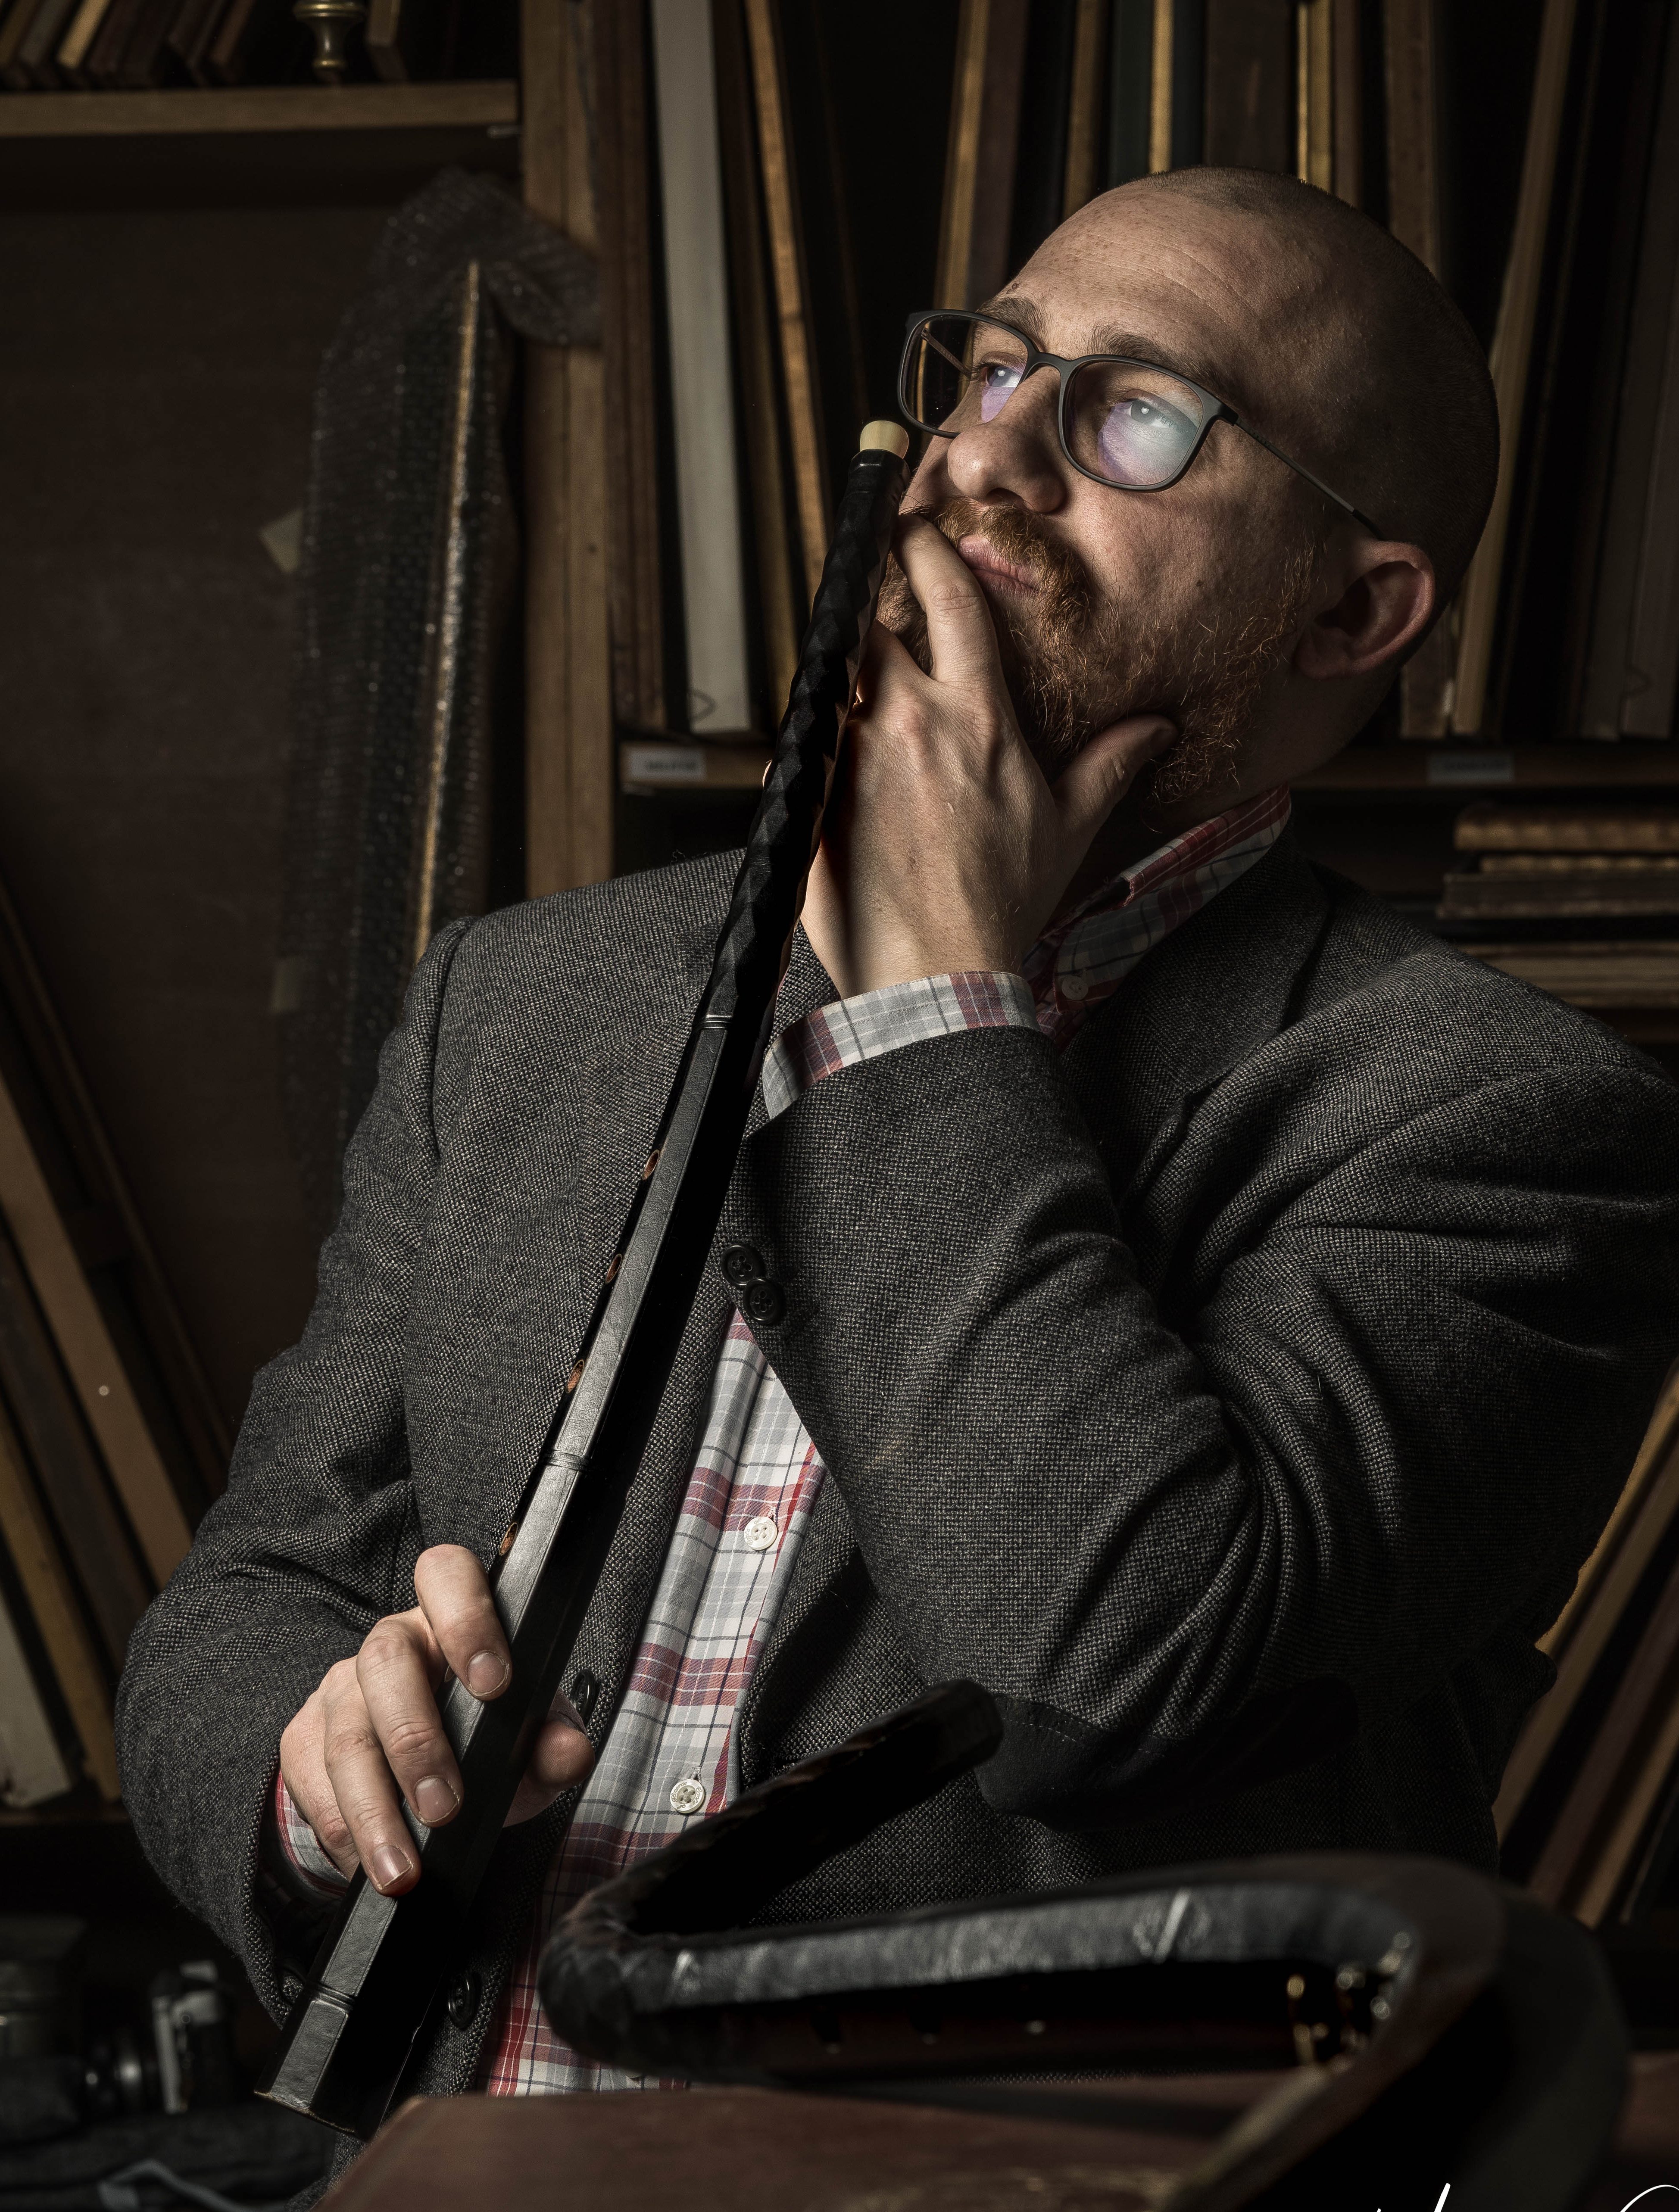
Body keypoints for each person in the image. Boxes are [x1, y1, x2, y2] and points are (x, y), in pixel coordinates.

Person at [119, 168, 1679, 2145]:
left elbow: (1115, 1664)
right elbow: (249, 1595)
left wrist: (936, 990)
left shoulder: (1504, 1123)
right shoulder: (517, 1005)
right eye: (991, 367)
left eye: (1133, 415)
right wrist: (311, 1768)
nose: (984, 460)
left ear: (1351, 608)